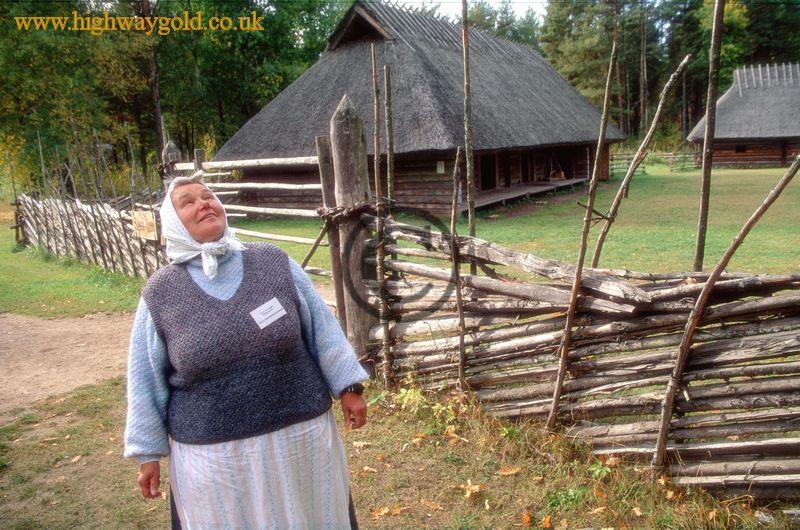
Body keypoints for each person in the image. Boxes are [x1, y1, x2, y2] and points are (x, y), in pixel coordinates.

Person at [124, 173, 368, 529]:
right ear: (172, 224)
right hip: (214, 457)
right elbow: (144, 378)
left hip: (299, 441)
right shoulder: (160, 293)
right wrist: (148, 453)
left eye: (208, 196)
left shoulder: (273, 262)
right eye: (187, 202)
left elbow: (322, 329)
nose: (203, 203)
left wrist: (349, 386)